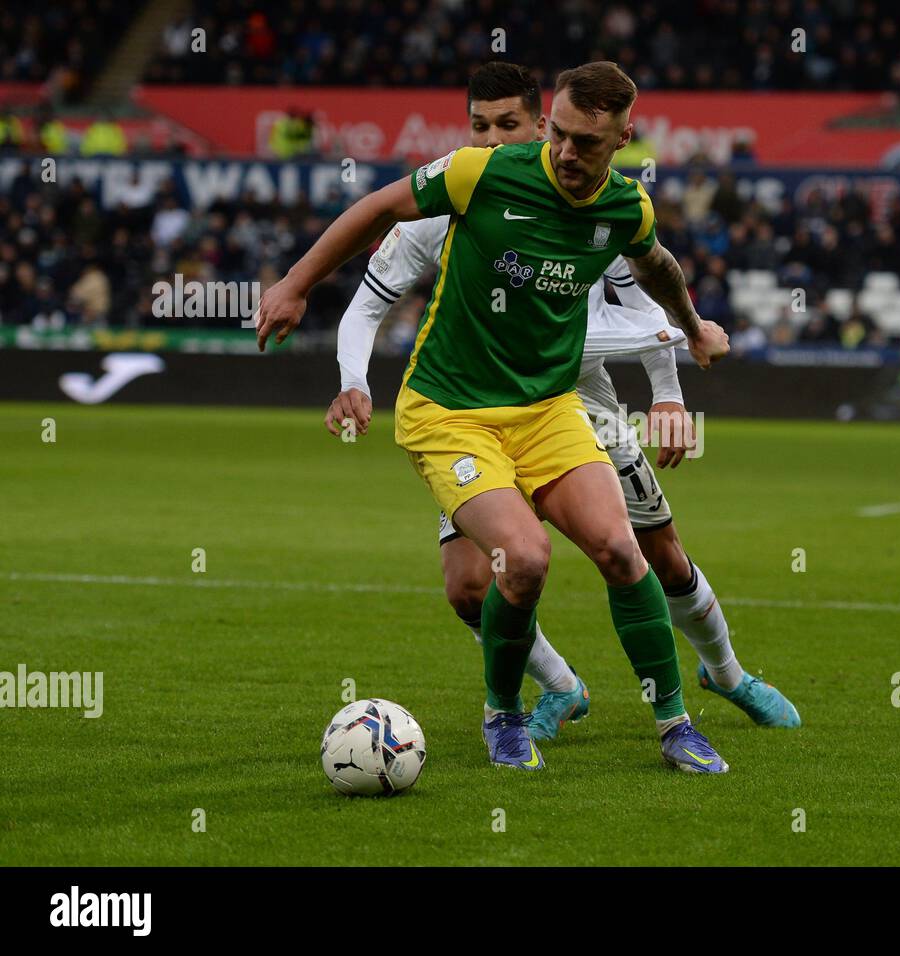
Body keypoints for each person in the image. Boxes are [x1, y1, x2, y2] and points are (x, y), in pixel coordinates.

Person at [255, 61, 735, 773]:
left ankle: (675, 726)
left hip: (544, 408)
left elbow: (656, 263)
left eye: (588, 144)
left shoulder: (625, 208)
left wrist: (692, 328)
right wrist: (295, 284)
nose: (569, 154)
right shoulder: (480, 173)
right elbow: (380, 208)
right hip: (450, 412)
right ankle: (502, 715)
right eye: (562, 137)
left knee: (619, 550)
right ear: (551, 123)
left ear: (624, 138)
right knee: (525, 560)